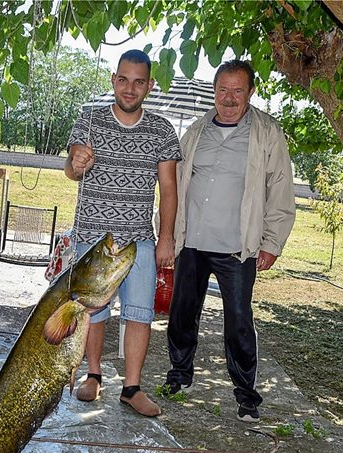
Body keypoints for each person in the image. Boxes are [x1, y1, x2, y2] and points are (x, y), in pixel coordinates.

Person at [163, 59, 296, 423]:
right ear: (214, 91)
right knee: (182, 312)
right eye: (223, 89)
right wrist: (170, 233)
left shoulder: (267, 133)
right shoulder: (196, 131)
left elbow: (280, 189)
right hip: (192, 240)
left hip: (238, 246)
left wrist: (272, 241)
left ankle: (246, 393)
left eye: (238, 90)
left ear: (250, 92)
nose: (229, 97)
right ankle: (179, 373)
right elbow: (175, 182)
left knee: (239, 320)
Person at [64, 49, 181, 417]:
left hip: (139, 241)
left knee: (140, 313)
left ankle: (132, 387)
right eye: (123, 80)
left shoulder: (162, 129)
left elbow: (169, 189)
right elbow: (70, 169)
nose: (130, 88)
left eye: (139, 81)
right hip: (92, 236)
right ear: (114, 80)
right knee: (93, 311)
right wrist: (77, 161)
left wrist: (166, 238)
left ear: (149, 85)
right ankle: (93, 375)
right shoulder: (90, 118)